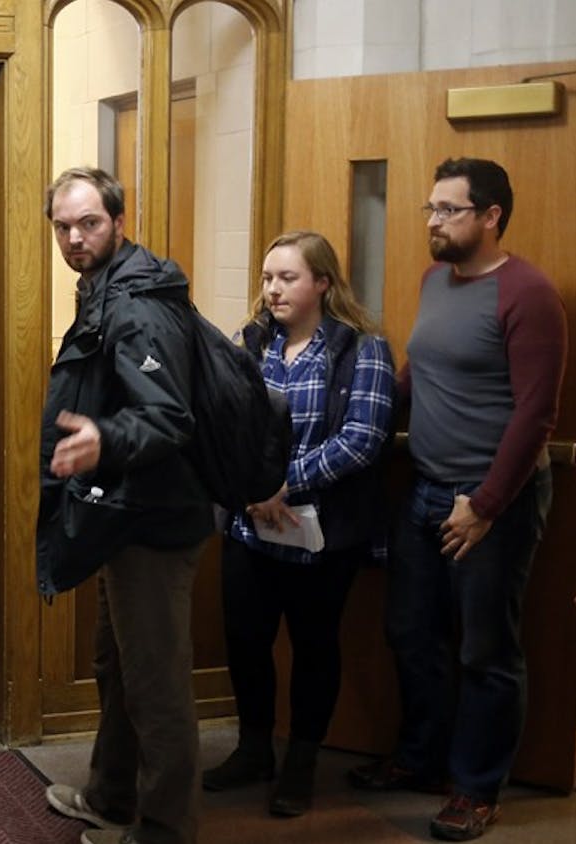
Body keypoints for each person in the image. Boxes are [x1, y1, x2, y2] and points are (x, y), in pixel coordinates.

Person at [348, 158, 566, 842]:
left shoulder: (528, 294)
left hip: (491, 504)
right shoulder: (436, 280)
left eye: (449, 209)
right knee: (411, 633)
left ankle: (476, 788)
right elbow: (423, 368)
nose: (434, 221)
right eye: (431, 209)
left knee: (487, 652)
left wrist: (488, 504)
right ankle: (421, 761)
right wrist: (373, 421)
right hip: (424, 491)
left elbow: (536, 414)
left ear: (491, 215)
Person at [37, 167, 213, 844]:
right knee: (118, 667)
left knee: (156, 684)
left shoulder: (136, 303)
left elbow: (169, 417)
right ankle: (112, 795)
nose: (76, 239)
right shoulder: (104, 288)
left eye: (90, 224)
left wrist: (103, 439)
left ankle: (168, 830)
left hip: (155, 522)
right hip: (125, 513)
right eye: (64, 227)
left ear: (117, 219)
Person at [199, 231, 395, 817]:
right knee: (246, 641)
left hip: (319, 535)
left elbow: (363, 439)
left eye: (288, 278)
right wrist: (249, 491)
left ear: (323, 284)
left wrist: (287, 483)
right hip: (249, 529)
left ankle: (301, 763)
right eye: (266, 278)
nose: (273, 289)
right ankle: (254, 749)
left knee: (314, 647)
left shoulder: (363, 349)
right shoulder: (249, 345)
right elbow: (221, 422)